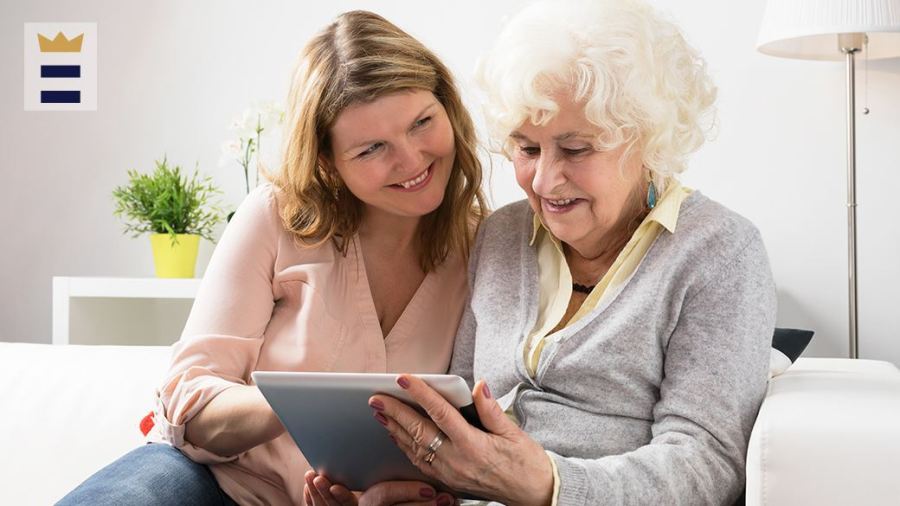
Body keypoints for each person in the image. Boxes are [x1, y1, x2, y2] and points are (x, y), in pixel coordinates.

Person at [308, 0, 775, 504]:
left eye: (576, 149)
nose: (546, 180)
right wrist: (401, 491)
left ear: (646, 138)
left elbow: (707, 463)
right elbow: (461, 410)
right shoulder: (503, 233)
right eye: (527, 149)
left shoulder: (720, 252)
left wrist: (549, 486)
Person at [58, 10, 486, 506]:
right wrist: (303, 406)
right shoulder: (276, 216)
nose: (411, 160)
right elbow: (190, 401)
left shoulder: (481, 247)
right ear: (327, 160)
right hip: (216, 484)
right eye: (371, 149)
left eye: (422, 123)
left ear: (447, 108)